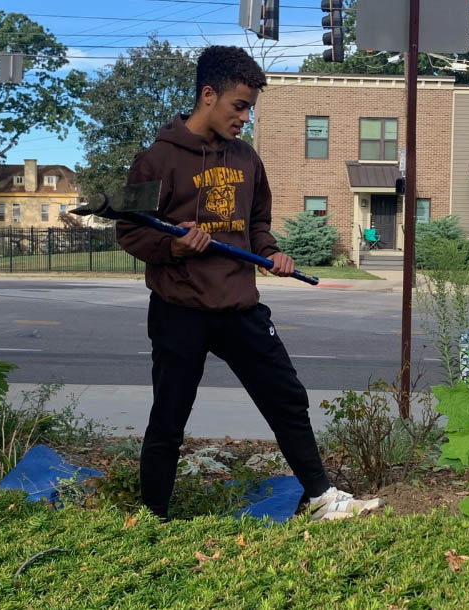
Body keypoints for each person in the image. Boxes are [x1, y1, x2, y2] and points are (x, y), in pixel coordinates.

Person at [116, 45, 382, 522]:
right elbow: (130, 230)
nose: (245, 118)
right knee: (169, 417)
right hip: (180, 310)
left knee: (286, 397)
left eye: (249, 109)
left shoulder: (247, 159)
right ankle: (152, 516)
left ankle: (322, 498)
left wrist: (271, 253)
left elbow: (256, 223)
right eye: (239, 106)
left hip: (239, 307)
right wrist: (174, 247)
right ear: (207, 95)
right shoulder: (155, 159)